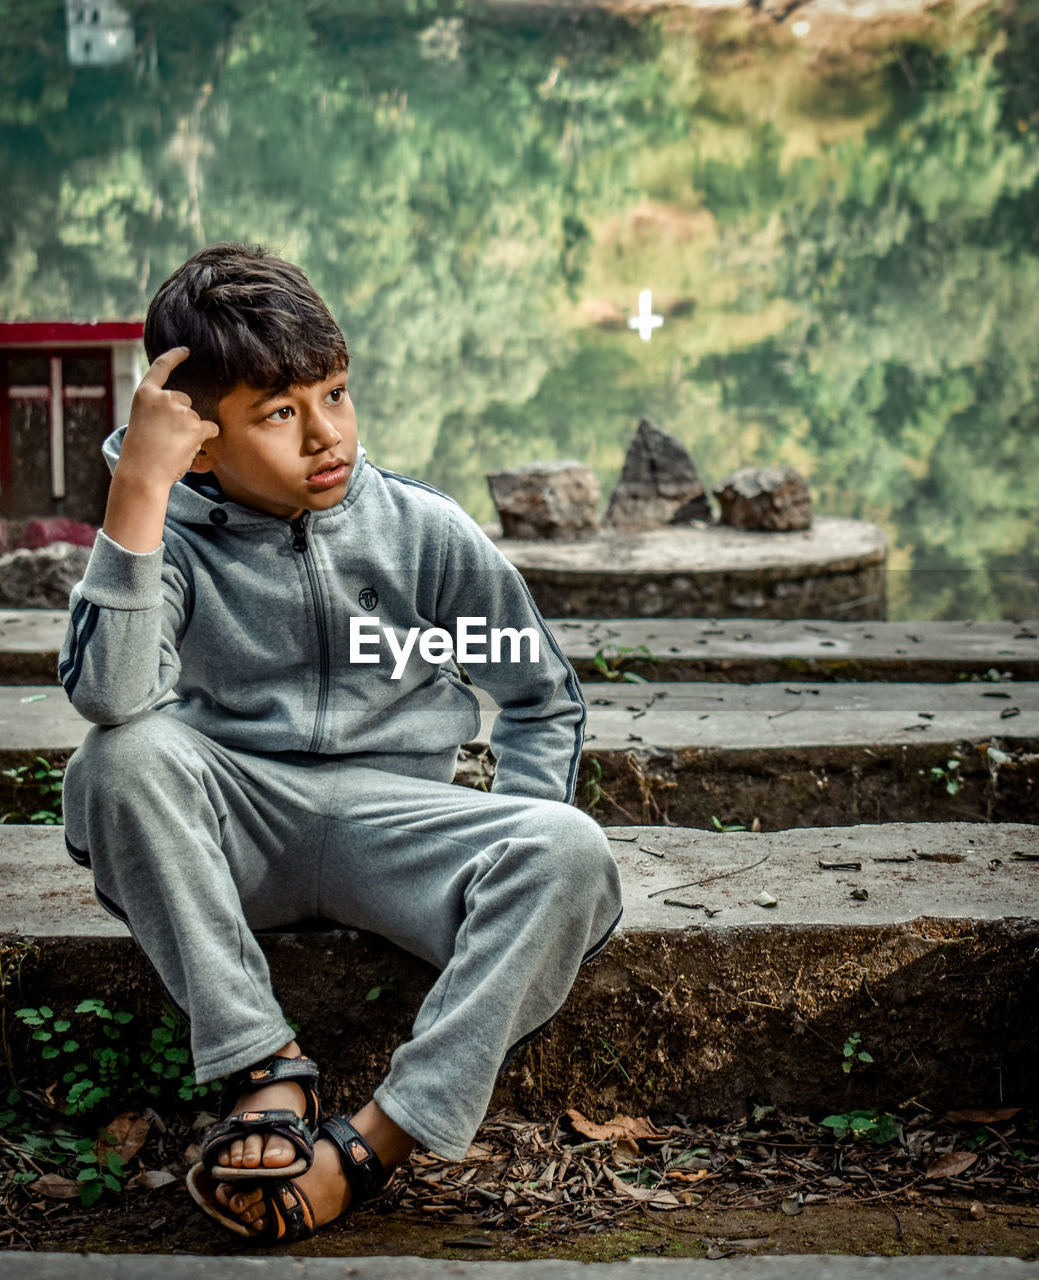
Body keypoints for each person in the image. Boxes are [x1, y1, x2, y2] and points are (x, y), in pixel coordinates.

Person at [58, 242, 622, 1244]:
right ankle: (262, 1065)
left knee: (569, 845)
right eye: (279, 413)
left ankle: (372, 1142)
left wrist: (512, 811)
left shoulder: (422, 535)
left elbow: (538, 696)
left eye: (335, 393)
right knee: (118, 760)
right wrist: (137, 495)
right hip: (240, 832)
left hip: (393, 833)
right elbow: (110, 694)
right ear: (196, 439)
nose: (326, 435)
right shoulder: (168, 535)